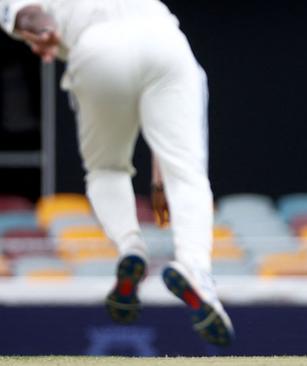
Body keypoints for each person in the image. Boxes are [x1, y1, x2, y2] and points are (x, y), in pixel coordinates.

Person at [0, 0, 234, 346]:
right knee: (187, 174)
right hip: (167, 41)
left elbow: (30, 14)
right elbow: (183, 79)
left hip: (98, 46)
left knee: (106, 169)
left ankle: (130, 248)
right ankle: (195, 269)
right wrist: (160, 173)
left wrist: (43, 30)